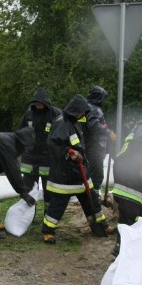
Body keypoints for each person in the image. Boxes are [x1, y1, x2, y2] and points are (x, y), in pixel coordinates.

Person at [41, 94, 113, 244]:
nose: (83, 115)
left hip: (79, 172)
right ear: (75, 110)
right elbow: (53, 145)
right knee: (58, 204)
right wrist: (70, 153)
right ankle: (48, 231)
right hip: (65, 174)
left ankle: (101, 226)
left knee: (91, 199)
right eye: (81, 112)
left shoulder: (75, 122)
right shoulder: (61, 123)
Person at [19, 87, 61, 202]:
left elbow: (62, 134)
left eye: (40, 103)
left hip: (48, 159)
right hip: (29, 159)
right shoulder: (29, 114)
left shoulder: (55, 114)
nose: (38, 105)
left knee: (49, 190)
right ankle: (28, 216)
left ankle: (48, 216)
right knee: (28, 190)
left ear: (46, 102)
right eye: (36, 102)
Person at [83, 85, 116, 192]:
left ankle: (92, 195)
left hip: (90, 145)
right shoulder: (94, 109)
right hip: (94, 146)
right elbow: (94, 126)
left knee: (91, 172)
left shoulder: (87, 107)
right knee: (96, 174)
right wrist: (109, 132)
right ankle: (93, 196)